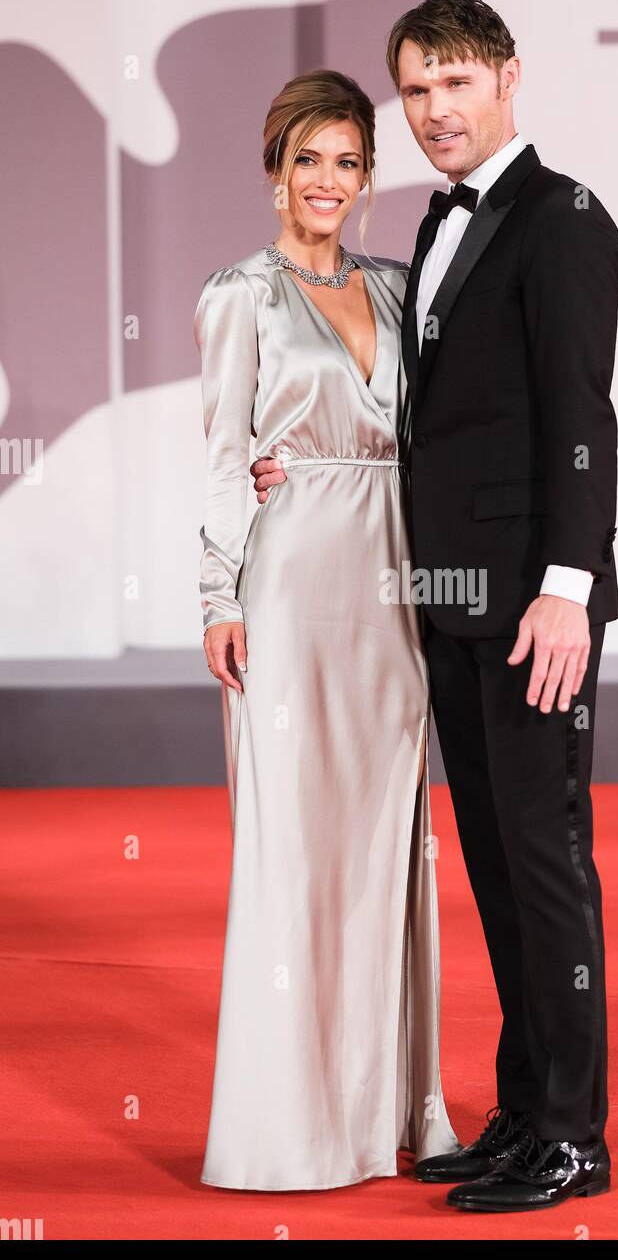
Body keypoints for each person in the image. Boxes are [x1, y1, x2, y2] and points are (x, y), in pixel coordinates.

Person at [253, 0, 618, 1212]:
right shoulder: (430, 224)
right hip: (448, 605)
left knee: (545, 860)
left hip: (532, 611)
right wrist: (295, 462)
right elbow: (416, 420)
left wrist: (567, 589)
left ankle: (572, 1136)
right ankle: (523, 1114)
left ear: (508, 78)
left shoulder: (560, 219)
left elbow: (581, 419)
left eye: (454, 83)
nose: (433, 112)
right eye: (413, 91)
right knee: (497, 867)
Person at [194, 68, 460, 1191]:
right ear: (274, 169)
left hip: (391, 581)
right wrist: (218, 595)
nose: (329, 181)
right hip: (292, 581)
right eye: (309, 158)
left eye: (349, 161)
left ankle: (394, 1107)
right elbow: (218, 453)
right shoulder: (238, 294)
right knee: (293, 846)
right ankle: (291, 1122)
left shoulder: (400, 289)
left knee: (388, 843)